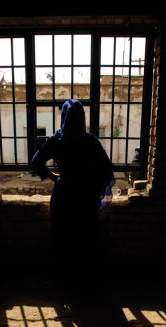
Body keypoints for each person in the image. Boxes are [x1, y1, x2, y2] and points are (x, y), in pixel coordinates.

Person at [31, 99, 115, 284]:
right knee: (85, 236)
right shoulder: (90, 141)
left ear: (63, 117)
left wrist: (54, 177)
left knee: (64, 234)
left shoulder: (57, 140)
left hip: (64, 194)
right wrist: (92, 182)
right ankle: (84, 278)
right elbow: (106, 169)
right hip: (85, 195)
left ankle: (65, 278)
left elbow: (35, 162)